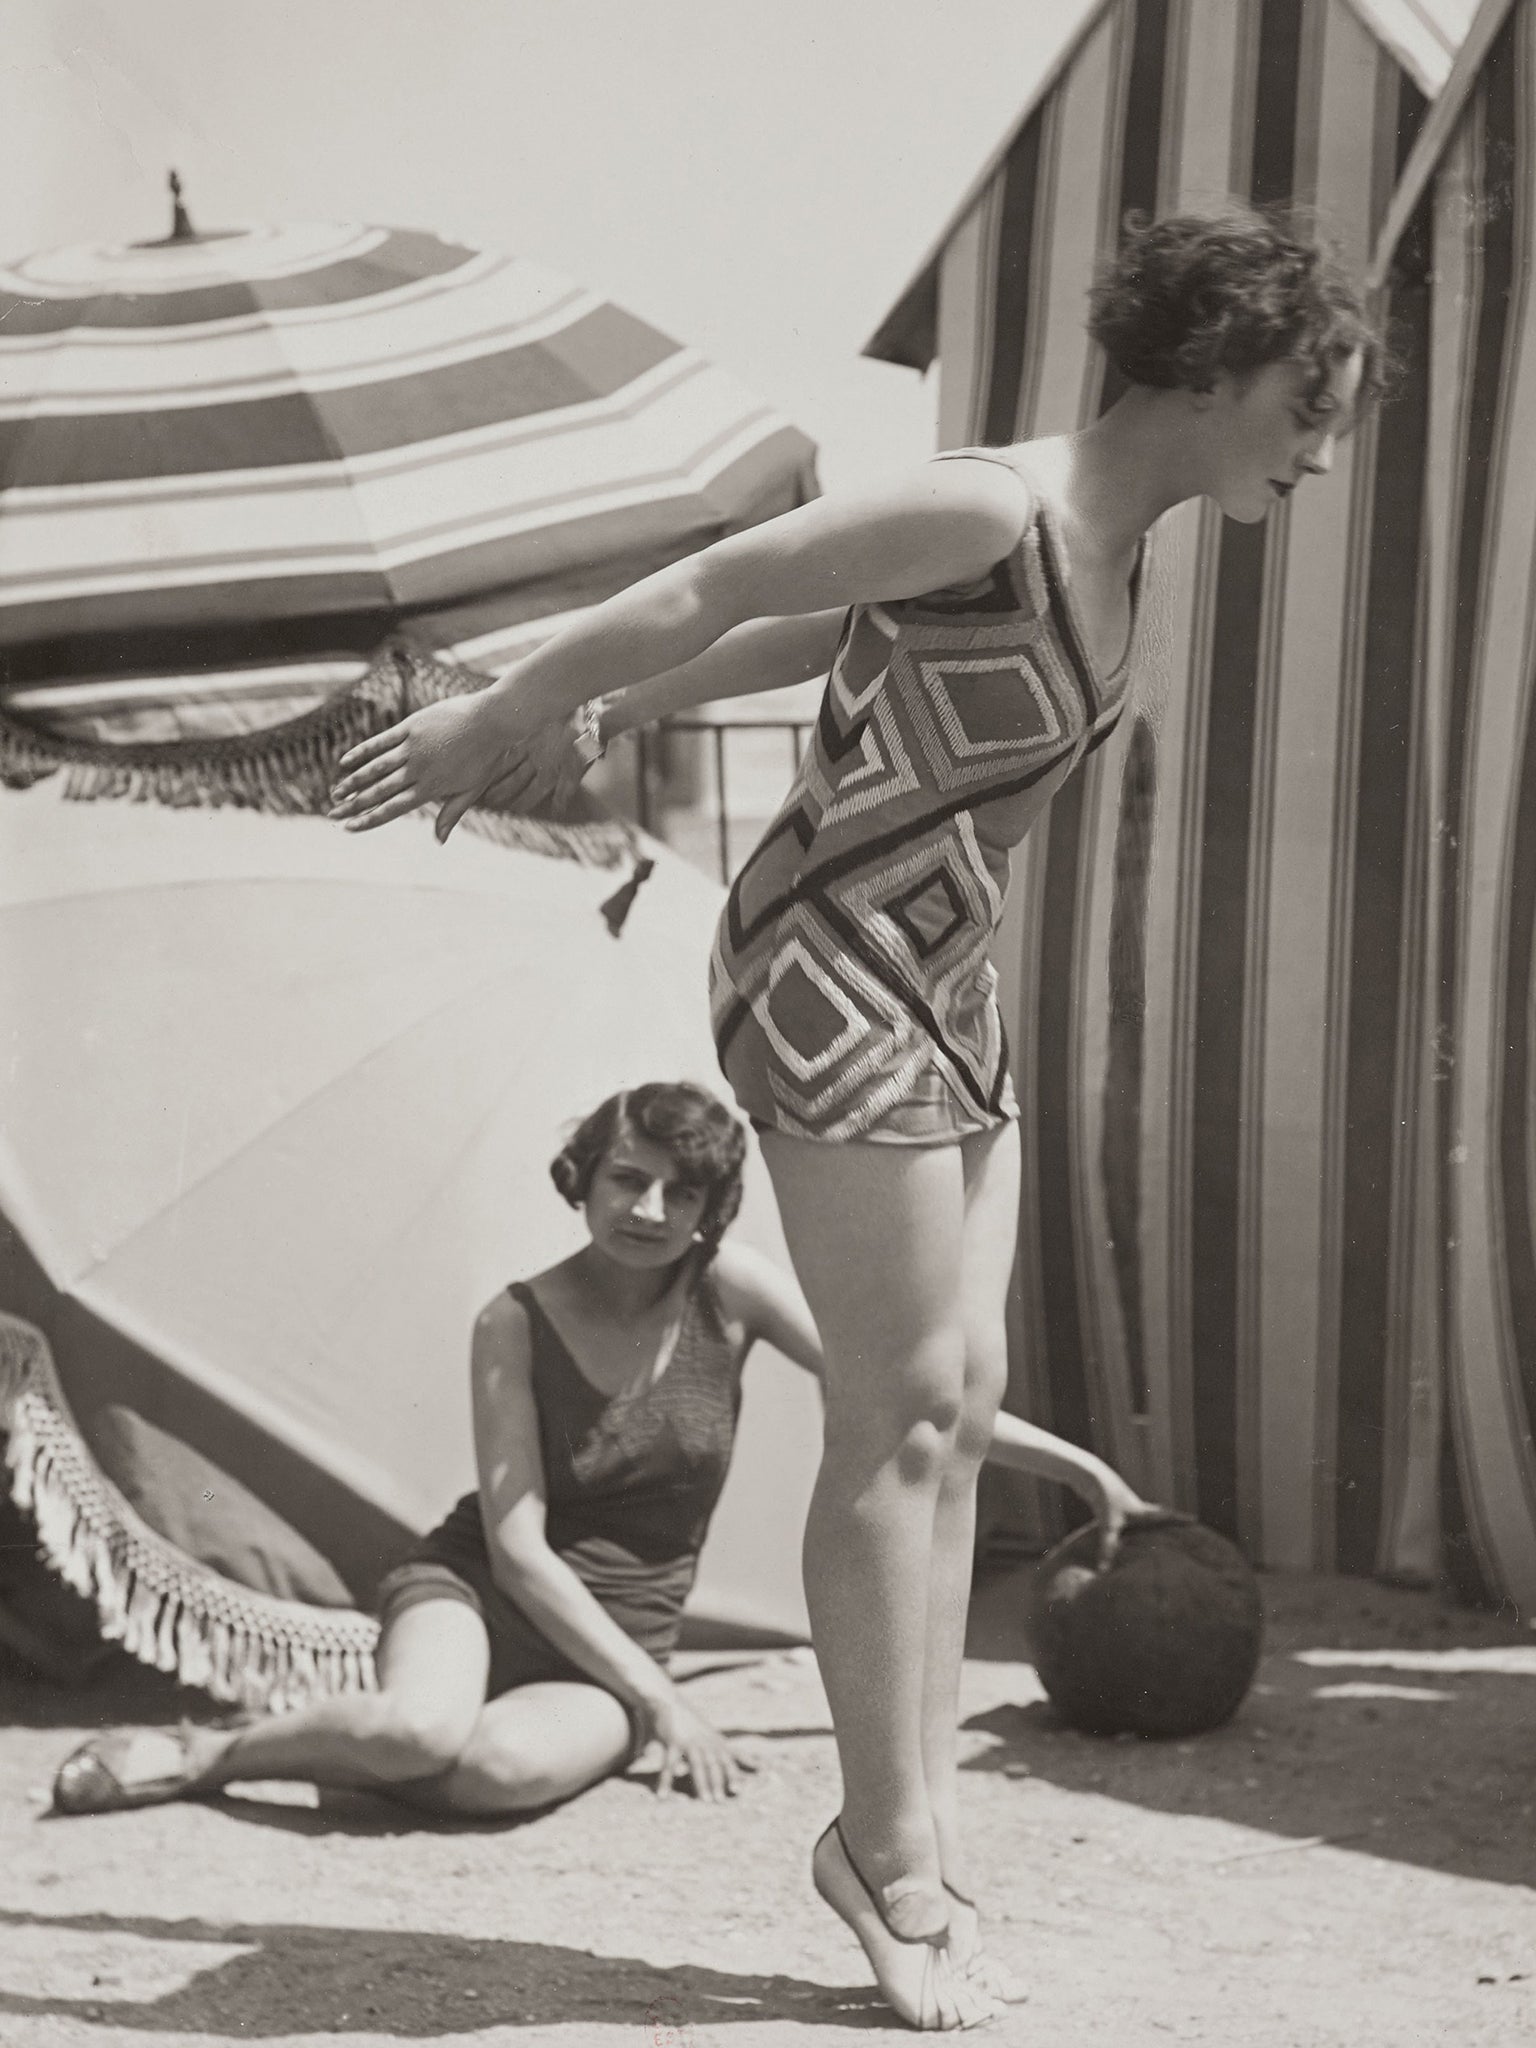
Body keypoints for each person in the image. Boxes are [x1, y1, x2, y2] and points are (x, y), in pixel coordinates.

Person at [324, 209, 1384, 2030]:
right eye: (1307, 400)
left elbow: (815, 636)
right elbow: (722, 577)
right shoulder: (995, 504)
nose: (1321, 443)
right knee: (894, 1424)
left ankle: (923, 1828)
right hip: (833, 967)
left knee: (955, 1406)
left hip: (944, 980)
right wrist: (500, 711)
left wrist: (627, 711)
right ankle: (881, 1855)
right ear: (1208, 370)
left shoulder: (1114, 550)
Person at [51, 1083, 1157, 1848]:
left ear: (713, 1205)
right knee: (419, 1731)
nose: (650, 1209)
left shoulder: (735, 1290)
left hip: (621, 1632)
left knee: (492, 1774)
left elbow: (917, 1400)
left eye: (683, 1191)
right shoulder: (514, 1318)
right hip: (476, 1588)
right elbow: (519, 1543)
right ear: (582, 1176)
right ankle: (211, 1753)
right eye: (627, 1178)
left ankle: (351, 1748)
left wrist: (1082, 1473)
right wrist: (662, 1703)